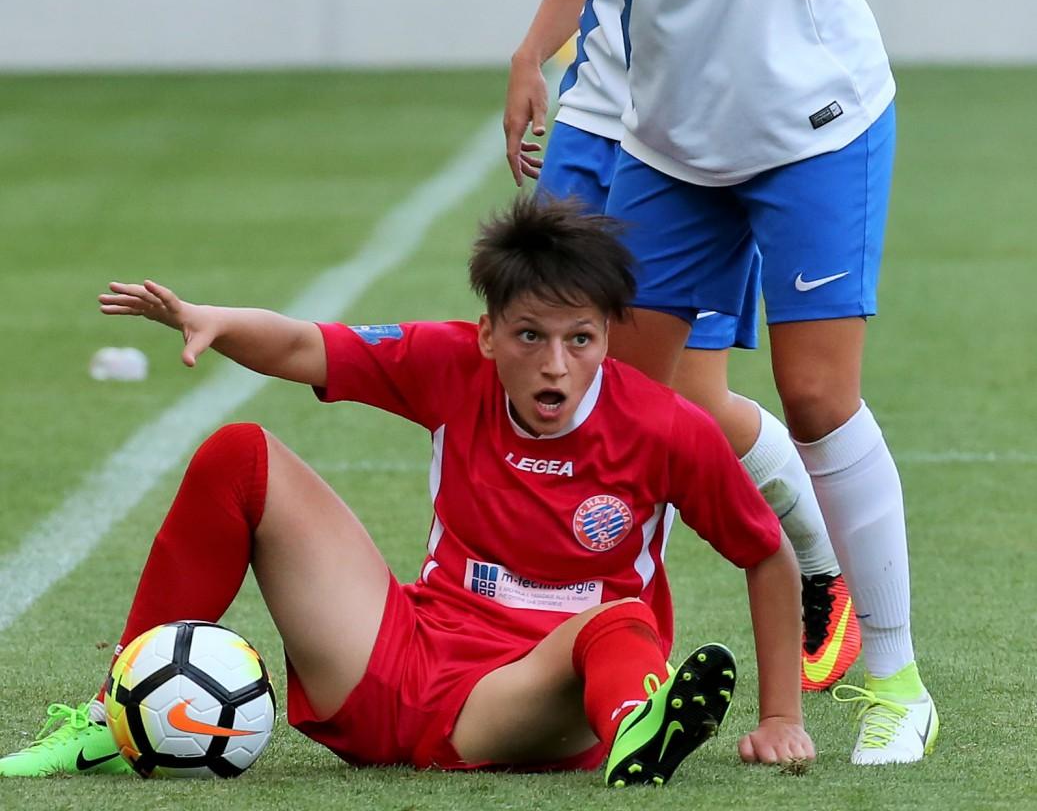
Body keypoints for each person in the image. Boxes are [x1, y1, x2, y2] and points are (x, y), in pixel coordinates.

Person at [229, 0, 989, 762]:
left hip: (812, 124)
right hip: (669, 139)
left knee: (812, 396)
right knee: (635, 404)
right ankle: (628, 642)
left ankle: (893, 676)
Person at [0, 198, 813, 782]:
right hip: (402, 663)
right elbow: (306, 346)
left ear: (607, 337)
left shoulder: (667, 428)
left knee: (621, 623)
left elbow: (764, 553)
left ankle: (637, 728)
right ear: (488, 334)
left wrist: (779, 719)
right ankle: (113, 716)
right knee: (238, 454)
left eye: (579, 339)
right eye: (529, 336)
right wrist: (213, 318)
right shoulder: (449, 364)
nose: (555, 364)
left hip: (534, 701)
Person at [505, 0, 860, 694]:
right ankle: (556, 614)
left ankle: (820, 570)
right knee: (545, 372)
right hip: (592, 125)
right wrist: (531, 53)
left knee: (680, 399)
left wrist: (717, 20)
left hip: (690, 136)